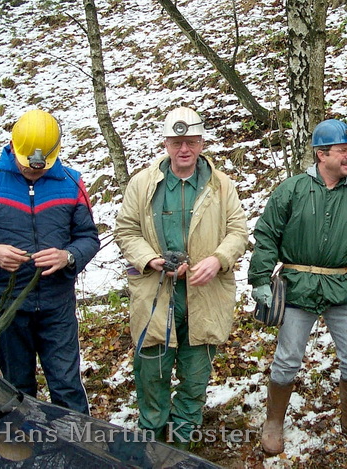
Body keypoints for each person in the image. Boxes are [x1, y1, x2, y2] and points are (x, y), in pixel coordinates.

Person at [248, 118, 347, 456]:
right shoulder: (291, 190)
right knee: (287, 358)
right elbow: (267, 235)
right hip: (298, 285)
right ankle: (274, 423)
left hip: (341, 286)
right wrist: (260, 279)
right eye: (343, 150)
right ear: (322, 154)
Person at [114, 106, 248, 448]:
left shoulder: (221, 185)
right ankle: (151, 438)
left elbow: (238, 231)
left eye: (190, 141)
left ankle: (182, 443)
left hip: (206, 296)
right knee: (151, 372)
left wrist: (218, 260)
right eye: (176, 142)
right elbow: (126, 230)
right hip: (157, 296)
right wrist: (150, 259)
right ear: (166, 143)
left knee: (195, 375)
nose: (183, 149)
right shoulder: (143, 184)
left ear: (202, 142)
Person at [0, 109, 100, 414]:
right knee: (17, 388)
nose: (34, 172)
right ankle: (25, 453)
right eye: (29, 166)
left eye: (41, 167)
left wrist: (68, 256)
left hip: (57, 304)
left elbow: (89, 238)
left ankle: (79, 451)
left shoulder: (71, 182)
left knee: (66, 385)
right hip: (7, 305)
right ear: (13, 146)